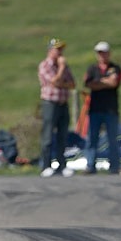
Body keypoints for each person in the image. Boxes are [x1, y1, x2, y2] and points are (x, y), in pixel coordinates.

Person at [38, 38, 76, 177]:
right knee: (48, 136)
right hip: (50, 103)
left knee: (63, 135)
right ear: (50, 50)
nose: (60, 53)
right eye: (57, 50)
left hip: (63, 102)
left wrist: (62, 80)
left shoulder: (65, 66)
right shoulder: (45, 65)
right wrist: (61, 69)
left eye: (61, 50)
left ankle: (62, 165)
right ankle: (46, 165)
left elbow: (72, 84)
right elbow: (54, 82)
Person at [83, 41, 121, 175]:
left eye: (104, 53)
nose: (102, 55)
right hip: (95, 109)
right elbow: (90, 84)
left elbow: (114, 82)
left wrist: (100, 82)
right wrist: (105, 81)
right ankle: (90, 165)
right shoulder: (92, 69)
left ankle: (114, 167)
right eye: (100, 53)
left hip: (111, 109)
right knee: (92, 139)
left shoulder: (115, 68)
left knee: (112, 139)